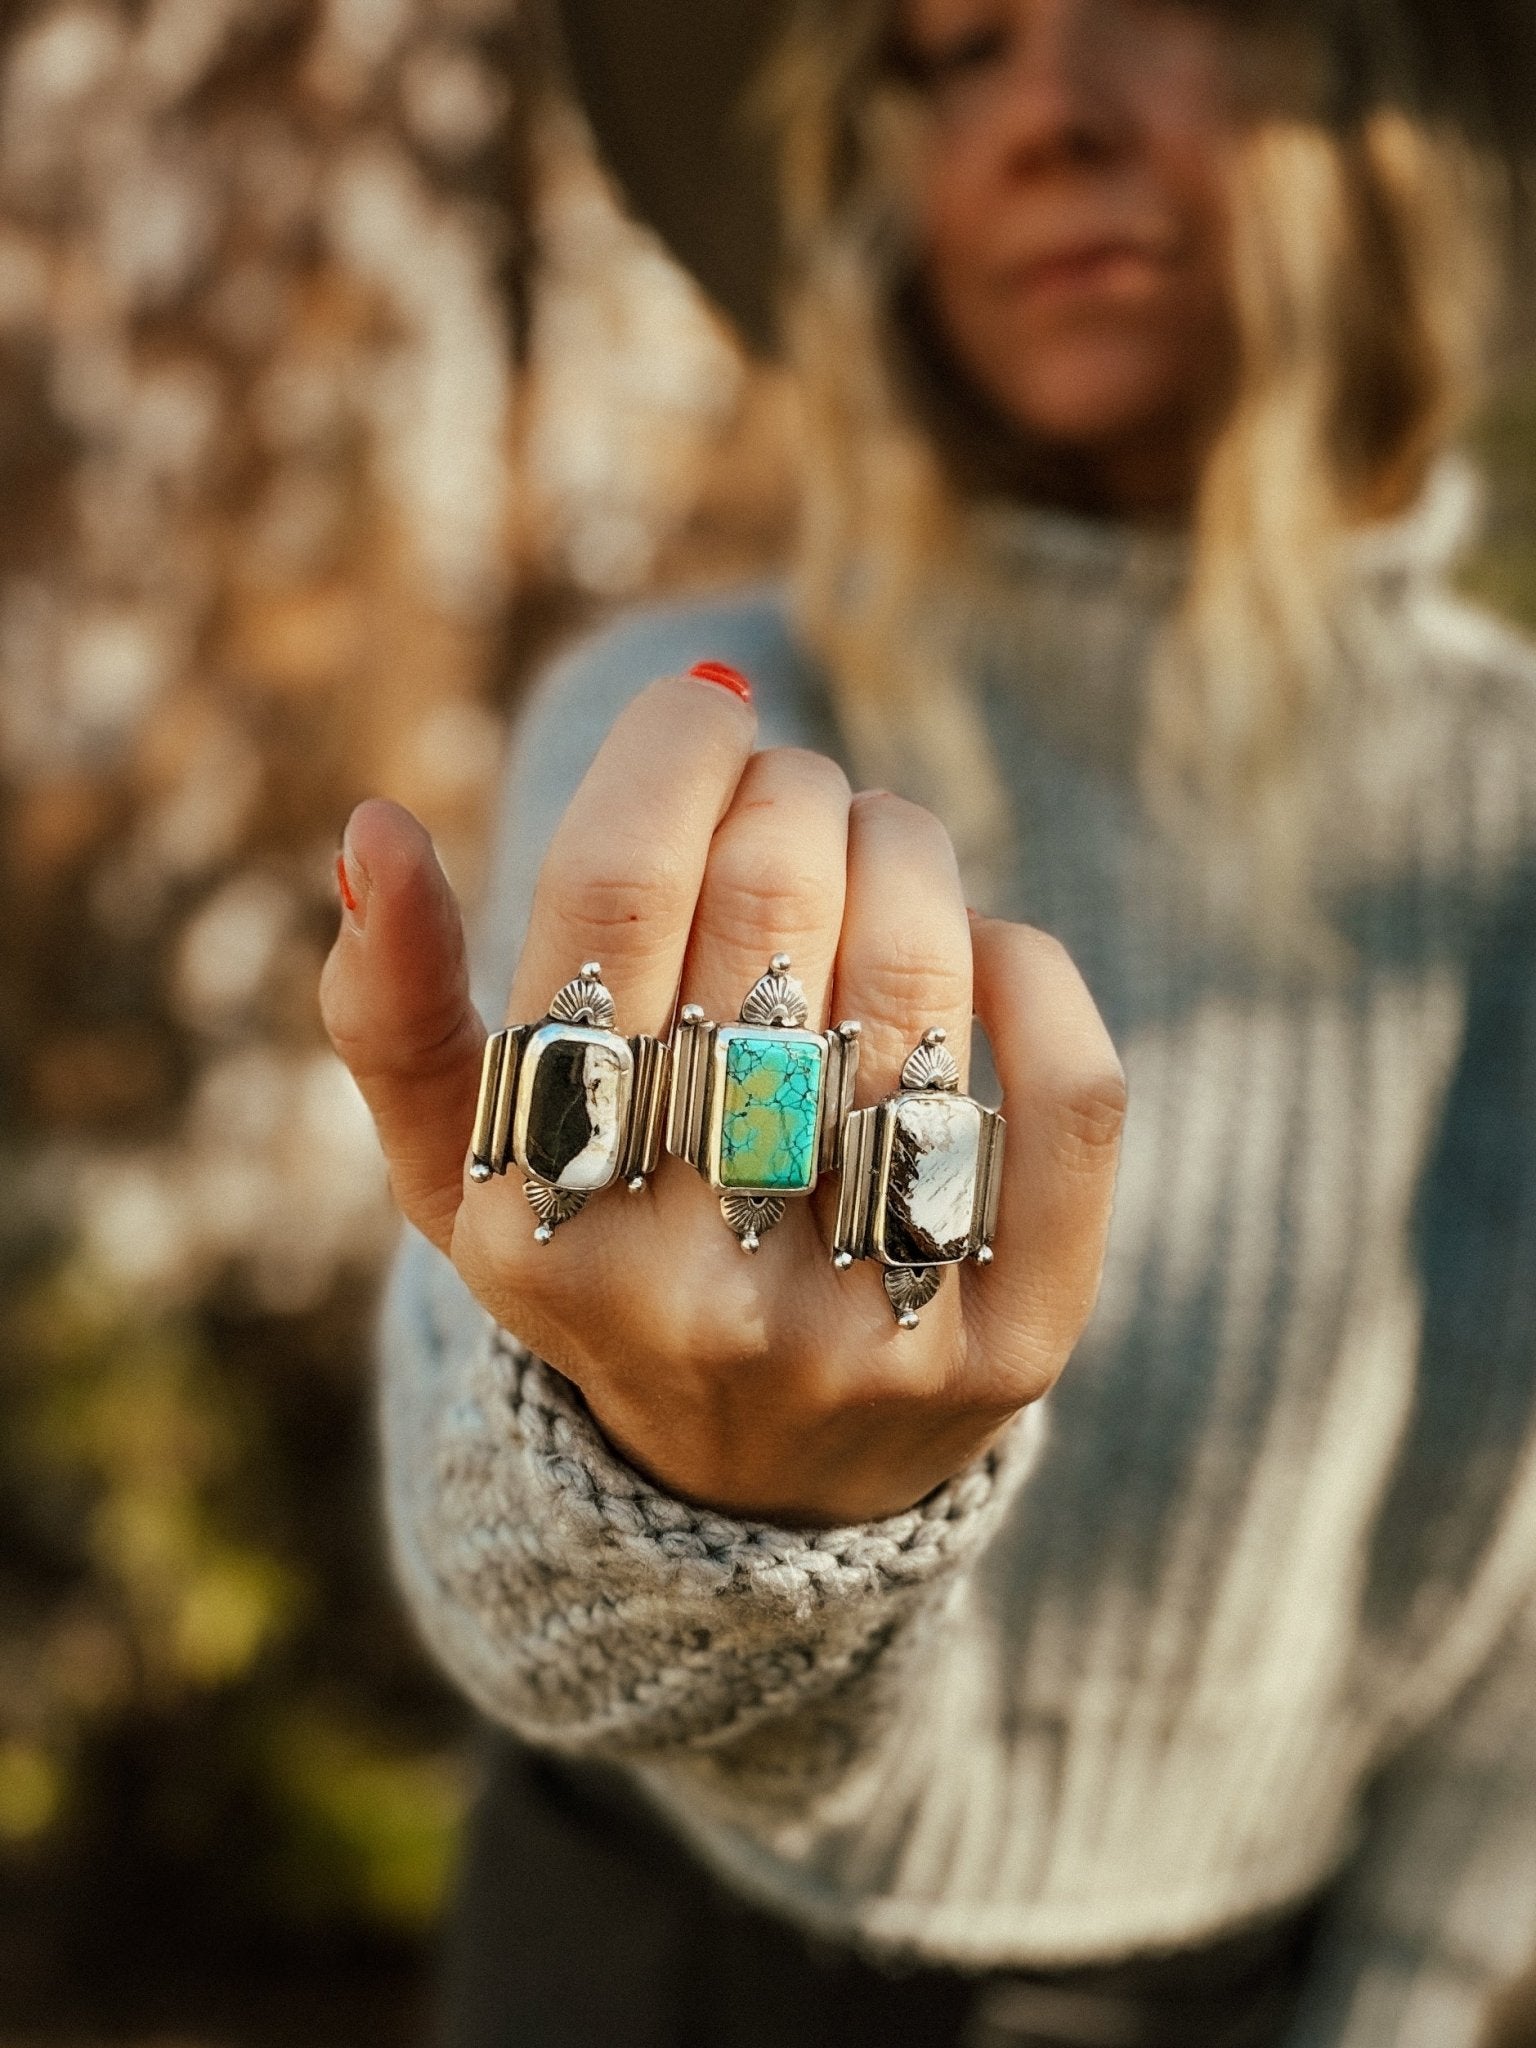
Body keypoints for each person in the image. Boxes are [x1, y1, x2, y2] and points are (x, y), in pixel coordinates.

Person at [320, 0, 1536, 2041]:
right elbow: (485, 1500)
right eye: (953, 47)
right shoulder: (698, 722)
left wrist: (1403, 2002)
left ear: (1369, 94)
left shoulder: (1506, 818)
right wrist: (687, 1512)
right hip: (655, 1957)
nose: (1046, 115)